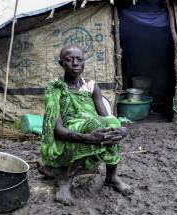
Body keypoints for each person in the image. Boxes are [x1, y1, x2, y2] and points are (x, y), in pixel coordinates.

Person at [39, 45, 133, 205]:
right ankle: (65, 184)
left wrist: (120, 130)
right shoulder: (55, 89)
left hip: (91, 131)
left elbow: (107, 118)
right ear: (61, 64)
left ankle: (111, 177)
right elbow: (58, 131)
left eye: (79, 59)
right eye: (69, 60)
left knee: (112, 124)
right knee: (94, 125)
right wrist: (87, 137)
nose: (75, 63)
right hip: (66, 138)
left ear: (84, 63)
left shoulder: (90, 86)